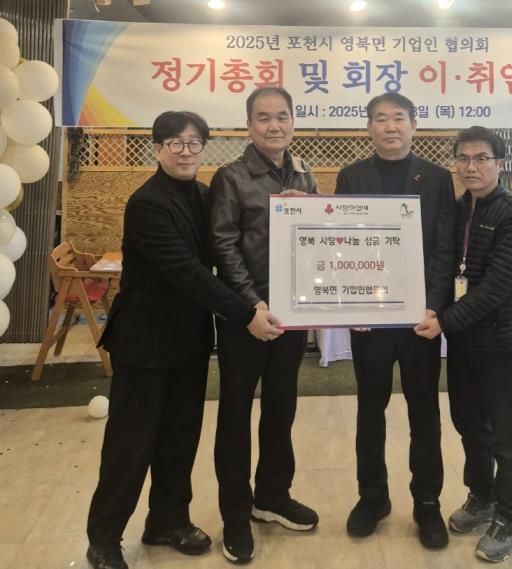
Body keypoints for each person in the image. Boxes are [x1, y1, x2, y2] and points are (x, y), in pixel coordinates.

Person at [86, 111, 282, 569]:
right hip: (144, 342)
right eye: (175, 143)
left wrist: (285, 213)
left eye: (194, 143)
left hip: (190, 340)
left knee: (180, 437)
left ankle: (167, 521)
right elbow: (190, 273)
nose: (186, 152)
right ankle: (104, 538)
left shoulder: (203, 195)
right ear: (157, 149)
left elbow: (229, 247)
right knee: (132, 443)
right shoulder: (146, 203)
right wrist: (247, 312)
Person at [335, 92, 456, 549]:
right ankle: (373, 497)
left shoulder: (437, 178)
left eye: (399, 118)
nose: (390, 126)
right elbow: (340, 242)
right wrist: (354, 303)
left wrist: (435, 307)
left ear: (414, 125)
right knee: (370, 410)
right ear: (369, 128)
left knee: (424, 411)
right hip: (371, 319)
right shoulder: (351, 176)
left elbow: (444, 249)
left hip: (419, 318)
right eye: (381, 119)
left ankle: (427, 502)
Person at [415, 126, 512, 563]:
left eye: (481, 158)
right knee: (469, 424)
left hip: (498, 343)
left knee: (507, 435)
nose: (471, 167)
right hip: (463, 342)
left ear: (500, 163)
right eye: (463, 158)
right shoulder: (458, 208)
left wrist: (442, 321)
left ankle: (511, 517)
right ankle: (482, 496)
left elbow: (494, 289)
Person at [209, 87, 319, 564]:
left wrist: (312, 206)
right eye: (263, 117)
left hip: (292, 313)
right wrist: (251, 306)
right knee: (235, 414)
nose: (274, 125)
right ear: (249, 125)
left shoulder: (304, 173)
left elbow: (318, 238)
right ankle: (235, 513)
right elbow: (222, 245)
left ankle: (272, 495)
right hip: (245, 317)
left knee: (281, 407)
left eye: (282, 116)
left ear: (294, 121)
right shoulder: (231, 177)